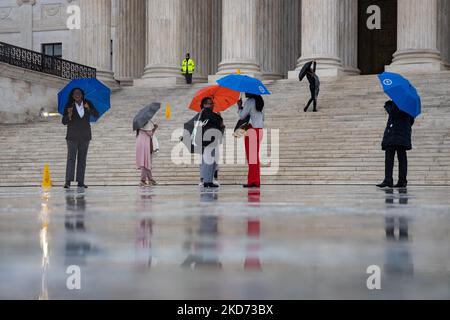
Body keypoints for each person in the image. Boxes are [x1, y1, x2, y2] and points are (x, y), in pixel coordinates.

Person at [62, 88, 99, 189]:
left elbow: (96, 114)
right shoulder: (69, 105)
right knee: (71, 158)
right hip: (72, 136)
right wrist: (69, 115)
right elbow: (64, 121)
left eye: (79, 93)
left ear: (82, 95)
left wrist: (89, 109)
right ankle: (68, 181)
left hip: (85, 136)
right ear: (72, 95)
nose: (77, 95)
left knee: (82, 159)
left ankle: (81, 181)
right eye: (75, 93)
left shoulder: (88, 103)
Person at [377, 100, 415, 188]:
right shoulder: (409, 106)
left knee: (389, 158)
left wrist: (388, 105)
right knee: (402, 158)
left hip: (393, 135)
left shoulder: (396, 104)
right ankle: (402, 181)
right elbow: (411, 121)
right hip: (403, 135)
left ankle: (388, 180)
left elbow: (393, 113)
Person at [237, 93, 264, 188]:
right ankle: (254, 180)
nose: (245, 93)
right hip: (259, 130)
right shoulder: (260, 102)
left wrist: (240, 107)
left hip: (251, 130)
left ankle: (253, 181)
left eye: (246, 91)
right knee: (254, 158)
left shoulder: (250, 101)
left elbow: (242, 116)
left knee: (252, 158)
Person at [198, 97, 224, 188]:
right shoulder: (206, 112)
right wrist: (219, 117)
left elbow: (218, 122)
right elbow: (218, 120)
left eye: (212, 103)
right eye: (209, 103)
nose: (211, 105)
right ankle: (207, 181)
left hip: (210, 139)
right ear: (204, 105)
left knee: (211, 161)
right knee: (208, 161)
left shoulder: (205, 113)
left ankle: (208, 180)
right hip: (208, 140)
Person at [136, 121, 158, 187]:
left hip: (140, 143)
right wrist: (155, 128)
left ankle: (150, 179)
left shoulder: (139, 125)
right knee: (145, 162)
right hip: (145, 144)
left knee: (146, 162)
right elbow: (150, 133)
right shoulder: (146, 123)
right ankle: (142, 180)